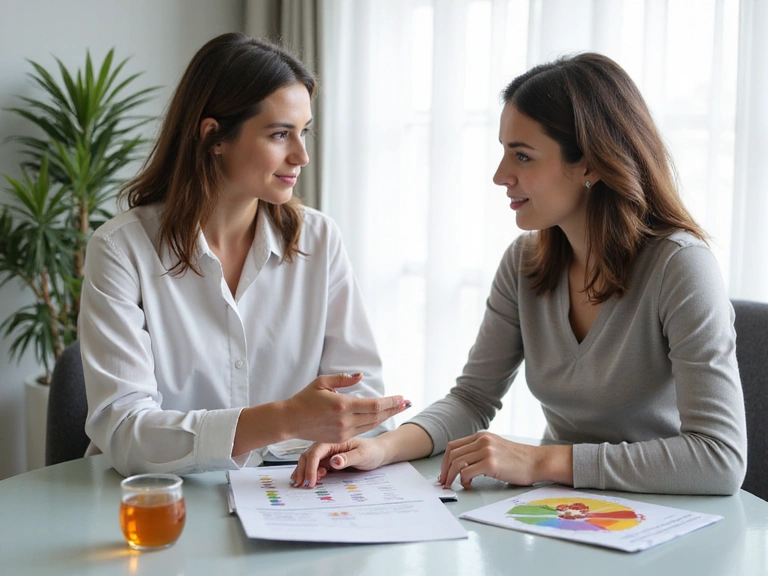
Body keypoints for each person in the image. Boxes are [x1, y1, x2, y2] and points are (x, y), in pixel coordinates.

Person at [292, 52, 747, 495]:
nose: (500, 175)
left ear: (590, 162)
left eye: (523, 156)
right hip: (566, 513)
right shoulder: (524, 263)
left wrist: (540, 461)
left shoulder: (681, 266)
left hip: (667, 523)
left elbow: (719, 458)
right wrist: (376, 448)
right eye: (504, 153)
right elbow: (472, 399)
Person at [80, 32, 410, 477]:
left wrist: (339, 439)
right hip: (158, 502)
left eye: (304, 132)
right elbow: (125, 431)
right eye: (280, 134)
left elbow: (359, 391)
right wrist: (285, 419)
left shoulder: (319, 239)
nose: (301, 155)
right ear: (214, 136)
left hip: (294, 493)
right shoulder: (121, 249)